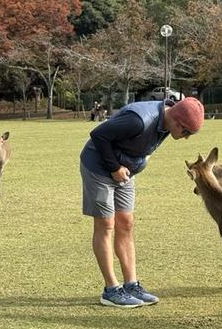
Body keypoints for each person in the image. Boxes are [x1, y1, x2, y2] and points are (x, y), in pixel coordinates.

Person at [80, 96, 204, 308]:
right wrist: (114, 168)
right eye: (186, 133)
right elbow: (98, 135)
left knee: (126, 223)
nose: (185, 138)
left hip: (125, 170)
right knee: (106, 225)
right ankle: (111, 290)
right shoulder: (138, 121)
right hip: (99, 167)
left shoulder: (168, 121)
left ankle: (131, 285)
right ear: (177, 121)